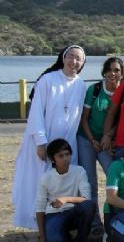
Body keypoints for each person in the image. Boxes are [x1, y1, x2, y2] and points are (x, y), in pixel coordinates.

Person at [13, 45, 87, 229]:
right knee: (41, 183)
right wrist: (40, 142)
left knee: (64, 183)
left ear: (83, 63)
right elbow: (36, 112)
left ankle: (61, 224)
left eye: (78, 59)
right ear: (63, 58)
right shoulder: (47, 80)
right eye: (70, 56)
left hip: (67, 145)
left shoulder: (81, 86)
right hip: (45, 142)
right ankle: (38, 224)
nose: (74, 61)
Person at [78, 56, 124, 234]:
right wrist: (92, 140)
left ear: (122, 73)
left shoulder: (123, 92)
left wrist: (108, 137)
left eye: (117, 70)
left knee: (113, 176)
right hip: (87, 139)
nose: (113, 73)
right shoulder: (95, 89)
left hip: (106, 142)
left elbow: (120, 120)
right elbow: (84, 119)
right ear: (104, 72)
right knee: (90, 181)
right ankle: (95, 223)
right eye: (109, 70)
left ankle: (116, 218)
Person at [35, 139, 96, 242]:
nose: (65, 158)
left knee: (89, 205)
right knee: (56, 241)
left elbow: (86, 198)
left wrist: (66, 199)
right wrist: (42, 236)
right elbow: (40, 208)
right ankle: (64, 238)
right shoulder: (46, 178)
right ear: (52, 159)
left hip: (74, 212)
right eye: (60, 156)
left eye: (67, 154)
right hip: (54, 215)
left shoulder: (79, 171)